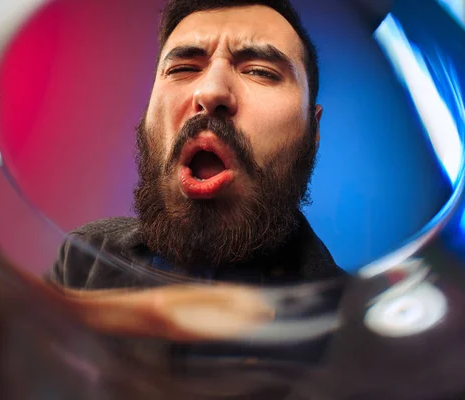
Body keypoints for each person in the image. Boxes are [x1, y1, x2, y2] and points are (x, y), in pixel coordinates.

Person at [48, 0, 346, 290]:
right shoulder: (84, 258)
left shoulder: (360, 325)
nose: (211, 91)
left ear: (313, 127)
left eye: (260, 71)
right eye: (182, 69)